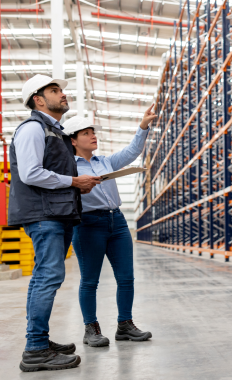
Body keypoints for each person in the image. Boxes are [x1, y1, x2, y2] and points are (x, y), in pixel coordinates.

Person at [11, 74, 101, 372]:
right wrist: (75, 181)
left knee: (43, 278)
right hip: (43, 215)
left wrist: (78, 185)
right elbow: (30, 173)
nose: (62, 94)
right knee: (48, 278)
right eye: (54, 90)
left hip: (57, 214)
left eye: (61, 89)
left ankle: (39, 341)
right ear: (38, 100)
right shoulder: (33, 129)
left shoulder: (55, 132)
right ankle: (35, 348)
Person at [62, 104, 157, 348]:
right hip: (88, 225)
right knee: (90, 280)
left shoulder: (105, 162)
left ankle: (125, 325)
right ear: (72, 140)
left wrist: (143, 125)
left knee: (126, 278)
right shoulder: (68, 168)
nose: (93, 136)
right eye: (86, 133)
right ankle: (91, 329)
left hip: (118, 222)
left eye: (93, 131)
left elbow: (133, 151)